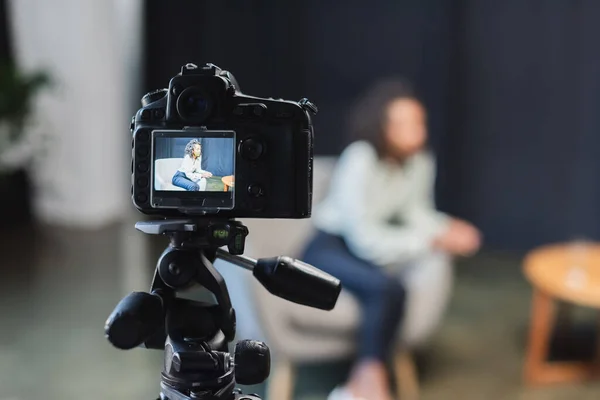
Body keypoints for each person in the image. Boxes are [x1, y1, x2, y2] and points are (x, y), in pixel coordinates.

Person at [300, 79, 481, 400]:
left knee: (390, 290)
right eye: (403, 123)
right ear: (382, 126)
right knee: (387, 289)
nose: (414, 131)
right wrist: (431, 241)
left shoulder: (421, 160)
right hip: (330, 245)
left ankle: (360, 385)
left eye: (418, 122)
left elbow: (416, 212)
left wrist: (445, 228)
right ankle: (373, 384)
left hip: (369, 248)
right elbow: (365, 240)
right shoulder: (361, 159)